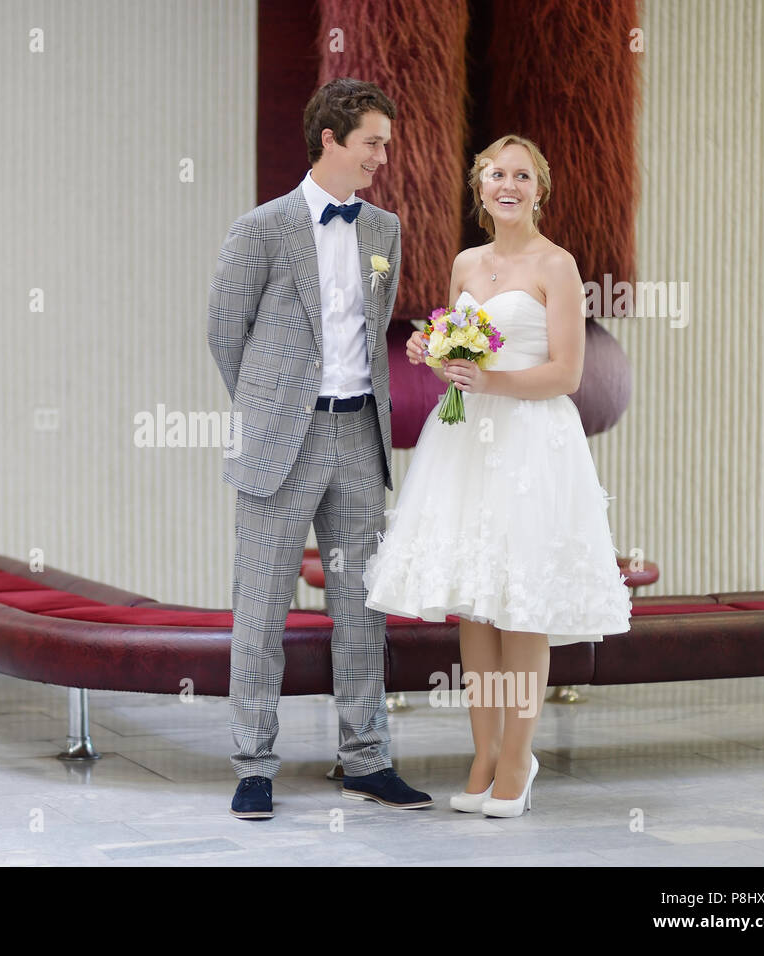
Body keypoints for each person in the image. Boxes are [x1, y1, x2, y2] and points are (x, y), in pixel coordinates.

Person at [363, 134, 632, 818]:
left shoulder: (558, 266)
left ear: (538, 189)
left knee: (522, 604)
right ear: (479, 189)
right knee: (476, 605)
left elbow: (568, 374)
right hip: (467, 441)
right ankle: (482, 750)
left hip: (533, 444)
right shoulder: (465, 264)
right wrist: (430, 350)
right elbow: (459, 344)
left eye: (520, 175)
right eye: (494, 175)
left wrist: (487, 375)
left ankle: (519, 753)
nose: (506, 185)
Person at [208, 77, 432, 819]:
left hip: (358, 434)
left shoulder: (385, 230)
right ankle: (253, 765)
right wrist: (274, 407)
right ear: (330, 140)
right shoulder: (260, 228)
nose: (381, 157)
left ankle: (366, 759)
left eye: (385, 144)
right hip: (281, 441)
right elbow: (224, 334)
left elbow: (376, 328)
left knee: (362, 607)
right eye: (372, 142)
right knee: (261, 609)